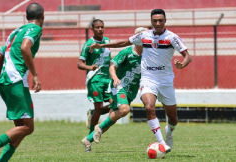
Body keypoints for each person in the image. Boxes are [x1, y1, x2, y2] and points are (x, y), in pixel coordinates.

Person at [89, 9, 192, 152]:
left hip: (166, 81)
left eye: (160, 20)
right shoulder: (144, 36)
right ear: (151, 22)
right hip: (148, 79)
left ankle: (169, 132)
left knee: (173, 119)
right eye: (155, 20)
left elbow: (187, 56)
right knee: (149, 106)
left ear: (165, 21)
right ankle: (162, 143)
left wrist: (182, 64)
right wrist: (102, 45)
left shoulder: (172, 37)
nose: (157, 23)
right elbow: (123, 43)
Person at [81, 27, 147, 152]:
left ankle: (88, 139)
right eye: (139, 36)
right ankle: (98, 128)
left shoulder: (149, 55)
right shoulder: (127, 52)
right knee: (125, 109)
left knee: (112, 117)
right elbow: (112, 66)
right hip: (118, 86)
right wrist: (115, 78)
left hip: (131, 91)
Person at [0, 3, 44, 161]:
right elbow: (25, 48)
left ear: (26, 17)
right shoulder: (36, 28)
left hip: (5, 80)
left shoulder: (15, 31)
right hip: (16, 80)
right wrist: (35, 75)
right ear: (42, 16)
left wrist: (3, 76)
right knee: (27, 127)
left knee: (21, 128)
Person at [78, 19, 113, 135]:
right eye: (97, 27)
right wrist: (90, 67)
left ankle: (92, 113)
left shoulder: (107, 41)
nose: (100, 29)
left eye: (102, 27)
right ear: (92, 29)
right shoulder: (88, 44)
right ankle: (91, 136)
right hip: (95, 79)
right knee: (99, 107)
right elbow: (79, 64)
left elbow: (108, 59)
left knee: (116, 105)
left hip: (107, 79)